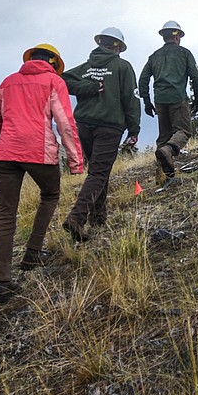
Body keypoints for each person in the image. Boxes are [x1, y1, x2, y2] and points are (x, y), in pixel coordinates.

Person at [0, 44, 84, 303]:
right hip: (39, 151)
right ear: (53, 62)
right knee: (50, 195)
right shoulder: (54, 82)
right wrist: (76, 161)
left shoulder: (8, 81)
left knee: (5, 215)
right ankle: (32, 254)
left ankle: (2, 282)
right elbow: (65, 122)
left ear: (29, 60)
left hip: (6, 152)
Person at [61, 27, 141, 241]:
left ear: (100, 43)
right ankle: (76, 218)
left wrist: (85, 86)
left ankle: (98, 218)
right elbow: (131, 99)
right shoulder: (122, 66)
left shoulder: (86, 68)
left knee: (99, 171)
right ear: (117, 46)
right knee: (98, 172)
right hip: (109, 127)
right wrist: (134, 129)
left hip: (84, 126)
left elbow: (62, 80)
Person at [138, 20, 198, 180]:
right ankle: (169, 151)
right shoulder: (184, 53)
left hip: (160, 100)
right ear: (178, 37)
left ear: (163, 37)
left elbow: (143, 79)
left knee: (164, 136)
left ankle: (162, 176)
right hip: (177, 99)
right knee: (184, 131)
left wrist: (146, 101)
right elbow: (195, 77)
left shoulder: (154, 56)